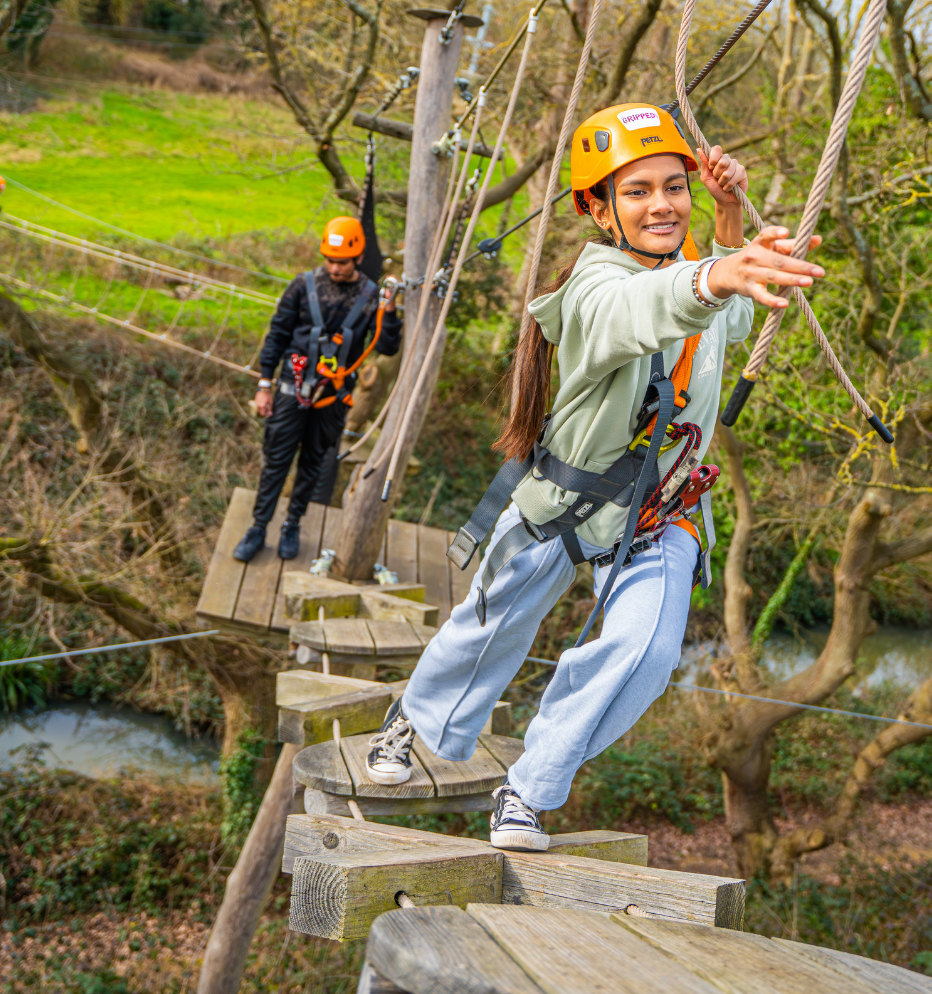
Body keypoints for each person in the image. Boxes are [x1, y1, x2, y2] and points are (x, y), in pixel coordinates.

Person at [362, 103, 824, 850]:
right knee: (488, 627)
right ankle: (415, 722)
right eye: (637, 191)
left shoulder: (688, 272)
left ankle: (529, 787)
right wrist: (715, 273)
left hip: (662, 512)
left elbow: (725, 321)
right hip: (567, 499)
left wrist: (731, 220)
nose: (662, 204)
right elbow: (645, 309)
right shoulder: (595, 283)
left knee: (646, 652)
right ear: (598, 209)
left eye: (674, 187)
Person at [233, 215, 402, 563]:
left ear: (356, 258)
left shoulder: (371, 297)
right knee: (276, 460)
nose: (335, 268)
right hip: (291, 389)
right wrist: (264, 384)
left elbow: (385, 347)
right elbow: (277, 334)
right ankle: (258, 526)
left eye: (341, 262)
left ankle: (292, 524)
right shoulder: (302, 286)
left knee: (313, 461)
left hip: (332, 397)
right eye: (330, 260)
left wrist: (390, 308)